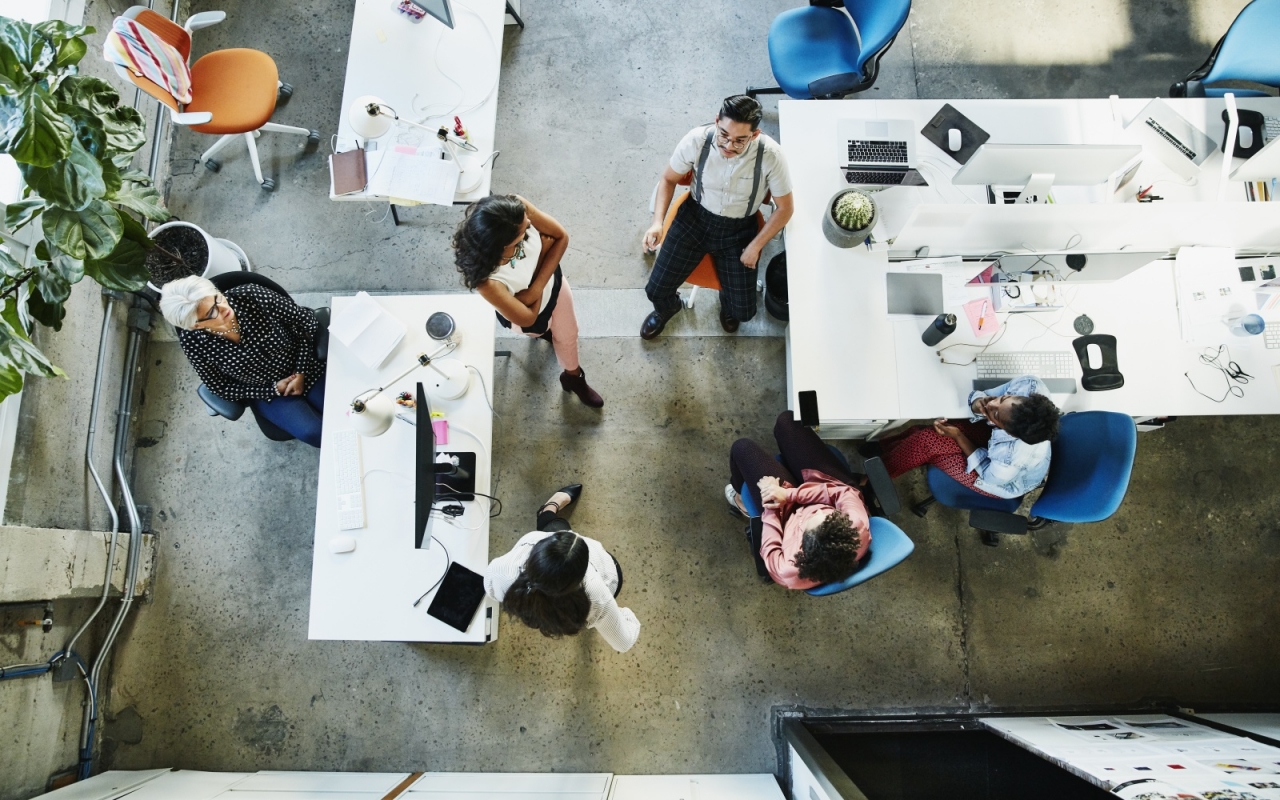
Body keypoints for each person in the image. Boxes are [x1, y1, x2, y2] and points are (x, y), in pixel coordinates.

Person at [640, 94, 794, 338]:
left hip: (739, 230)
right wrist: (657, 223)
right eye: (724, 134)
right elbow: (668, 179)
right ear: (716, 122)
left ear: (755, 135)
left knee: (743, 312)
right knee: (655, 290)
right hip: (695, 218)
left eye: (739, 140)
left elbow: (785, 208)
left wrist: (755, 246)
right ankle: (668, 308)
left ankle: (728, 302)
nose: (728, 146)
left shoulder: (771, 156)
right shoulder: (697, 140)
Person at [452, 194, 602, 408]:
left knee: (568, 336)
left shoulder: (516, 209)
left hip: (555, 287)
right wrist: (542, 258)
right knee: (540, 330)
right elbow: (528, 318)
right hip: (533, 317)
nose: (531, 224)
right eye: (524, 232)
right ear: (503, 244)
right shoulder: (488, 283)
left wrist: (530, 294)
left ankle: (573, 377)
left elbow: (561, 237)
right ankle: (547, 334)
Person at [160, 275, 326, 447]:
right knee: (314, 432)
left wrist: (300, 371)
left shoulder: (253, 296)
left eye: (217, 297)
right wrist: (273, 389)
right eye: (211, 312)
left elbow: (307, 321)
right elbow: (219, 386)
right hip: (266, 391)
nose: (223, 307)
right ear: (196, 325)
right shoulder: (192, 342)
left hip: (304, 365)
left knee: (346, 410)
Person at [484, 485, 639, 653]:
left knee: (551, 524)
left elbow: (490, 589)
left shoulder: (510, 563)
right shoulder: (597, 594)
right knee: (557, 525)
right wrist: (623, 614)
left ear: (536, 553)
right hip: (597, 592)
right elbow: (623, 643)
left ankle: (549, 508)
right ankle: (548, 510)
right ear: (583, 574)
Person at [725, 411, 870, 590]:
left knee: (742, 448)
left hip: (784, 514)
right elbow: (842, 493)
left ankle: (740, 499)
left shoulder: (785, 570)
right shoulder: (855, 525)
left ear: (803, 545)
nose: (813, 511)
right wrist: (789, 494)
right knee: (787, 421)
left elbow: (770, 545)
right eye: (827, 514)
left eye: (809, 520)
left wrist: (771, 500)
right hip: (823, 487)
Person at [879, 375, 1061, 499]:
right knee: (927, 433)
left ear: (1009, 432)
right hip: (997, 445)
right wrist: (977, 404)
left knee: (927, 443)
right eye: (1004, 398)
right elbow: (987, 396)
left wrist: (958, 436)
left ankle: (873, 479)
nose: (993, 404)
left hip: (998, 479)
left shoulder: (1011, 459)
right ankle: (882, 452)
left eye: (996, 415)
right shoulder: (1029, 386)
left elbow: (988, 473)